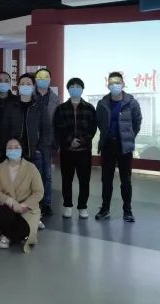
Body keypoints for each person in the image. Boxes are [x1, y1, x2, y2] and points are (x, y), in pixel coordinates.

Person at [0, 74, 50, 229]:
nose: (25, 86)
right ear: (18, 86)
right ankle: (15, 214)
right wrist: (7, 148)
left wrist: (40, 148)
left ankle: (35, 215)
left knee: (34, 186)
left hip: (34, 153)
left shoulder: (39, 106)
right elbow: (4, 129)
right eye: (22, 83)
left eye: (28, 83)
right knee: (15, 185)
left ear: (33, 86)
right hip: (14, 153)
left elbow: (46, 129)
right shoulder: (11, 105)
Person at [95, 72, 142, 223]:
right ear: (108, 85)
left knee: (125, 180)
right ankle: (105, 209)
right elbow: (99, 122)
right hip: (108, 145)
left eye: (117, 82)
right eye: (111, 83)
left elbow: (137, 123)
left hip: (124, 147)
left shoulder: (132, 103)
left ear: (123, 84)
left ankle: (127, 211)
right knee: (106, 180)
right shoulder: (102, 103)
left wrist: (129, 136)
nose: (114, 85)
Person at [0, 138, 44, 253]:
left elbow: (39, 192)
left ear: (22, 149)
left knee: (26, 227)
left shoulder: (31, 168)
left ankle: (7, 235)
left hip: (27, 209)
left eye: (16, 147)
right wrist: (11, 202)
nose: (13, 150)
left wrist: (24, 205)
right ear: (5, 150)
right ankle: (12, 236)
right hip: (7, 207)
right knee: (3, 214)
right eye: (10, 148)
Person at [53, 78, 96, 219]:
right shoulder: (61, 108)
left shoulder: (89, 108)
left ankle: (83, 207)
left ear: (82, 89)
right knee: (67, 180)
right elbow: (58, 128)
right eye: (72, 86)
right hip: (67, 151)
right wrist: (70, 141)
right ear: (68, 89)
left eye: (78, 86)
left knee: (84, 181)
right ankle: (67, 206)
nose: (75, 89)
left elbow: (92, 128)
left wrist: (81, 141)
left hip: (84, 151)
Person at [33, 68, 59, 217]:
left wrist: (55, 142)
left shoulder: (55, 98)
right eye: (40, 77)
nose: (43, 79)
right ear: (36, 79)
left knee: (47, 174)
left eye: (46, 77)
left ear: (50, 79)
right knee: (33, 173)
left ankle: (47, 203)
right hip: (32, 140)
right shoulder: (29, 95)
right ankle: (34, 202)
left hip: (48, 141)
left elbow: (57, 122)